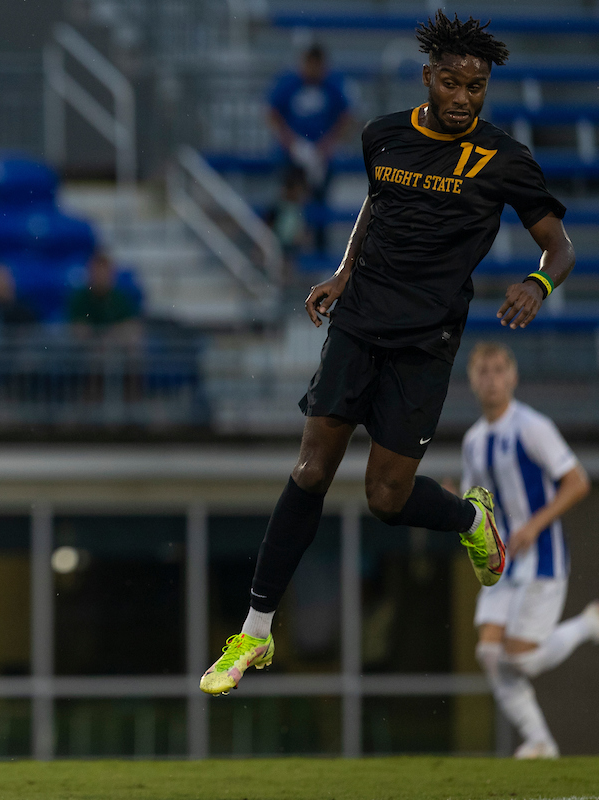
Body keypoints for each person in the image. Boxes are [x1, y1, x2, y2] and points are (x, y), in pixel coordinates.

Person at [201, 13, 576, 695]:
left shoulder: (506, 160)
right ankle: (253, 634)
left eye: (478, 86)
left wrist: (538, 281)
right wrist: (344, 274)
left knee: (385, 497)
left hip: (425, 343)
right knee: (312, 468)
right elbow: (375, 207)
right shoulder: (384, 135)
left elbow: (562, 247)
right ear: (429, 77)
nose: (465, 97)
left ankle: (470, 517)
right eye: (454, 83)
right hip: (360, 321)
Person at [462, 342, 598, 759]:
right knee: (488, 650)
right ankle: (539, 740)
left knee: (520, 660)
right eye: (483, 371)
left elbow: (577, 481)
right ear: (472, 380)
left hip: (543, 556)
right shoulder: (473, 440)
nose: (492, 378)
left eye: (499, 369)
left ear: (514, 376)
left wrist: (534, 525)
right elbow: (476, 502)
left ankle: (588, 626)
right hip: (505, 561)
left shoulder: (531, 426)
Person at [267, 44, 353, 254]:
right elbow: (272, 114)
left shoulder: (333, 84)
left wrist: (325, 148)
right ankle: (287, 256)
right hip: (292, 157)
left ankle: (319, 255)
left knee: (320, 205)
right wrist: (293, 144)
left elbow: (347, 118)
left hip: (322, 158)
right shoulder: (289, 83)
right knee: (289, 207)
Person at [67, 252, 142, 344]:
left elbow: (130, 324)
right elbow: (78, 327)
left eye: (104, 272)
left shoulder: (120, 297)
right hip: (89, 347)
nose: (100, 276)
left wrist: (110, 335)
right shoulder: (80, 297)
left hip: (114, 344)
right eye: (97, 272)